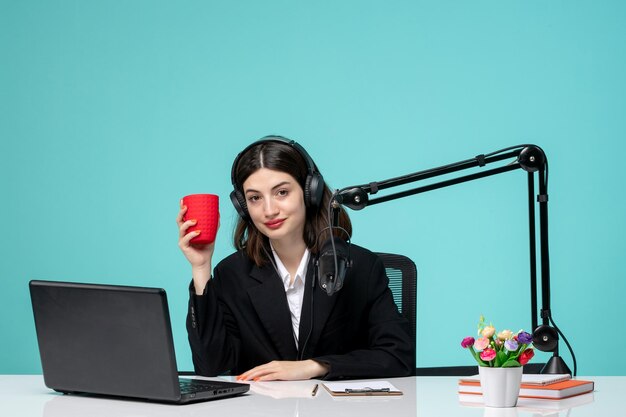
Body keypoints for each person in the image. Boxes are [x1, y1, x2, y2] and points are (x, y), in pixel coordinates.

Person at [176, 136, 414, 381]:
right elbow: (211, 366)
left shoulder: (360, 266)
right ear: (243, 206)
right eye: (255, 198)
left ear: (309, 191)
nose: (269, 210)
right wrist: (201, 267)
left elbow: (397, 356)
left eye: (281, 192)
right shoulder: (232, 273)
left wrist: (316, 366)